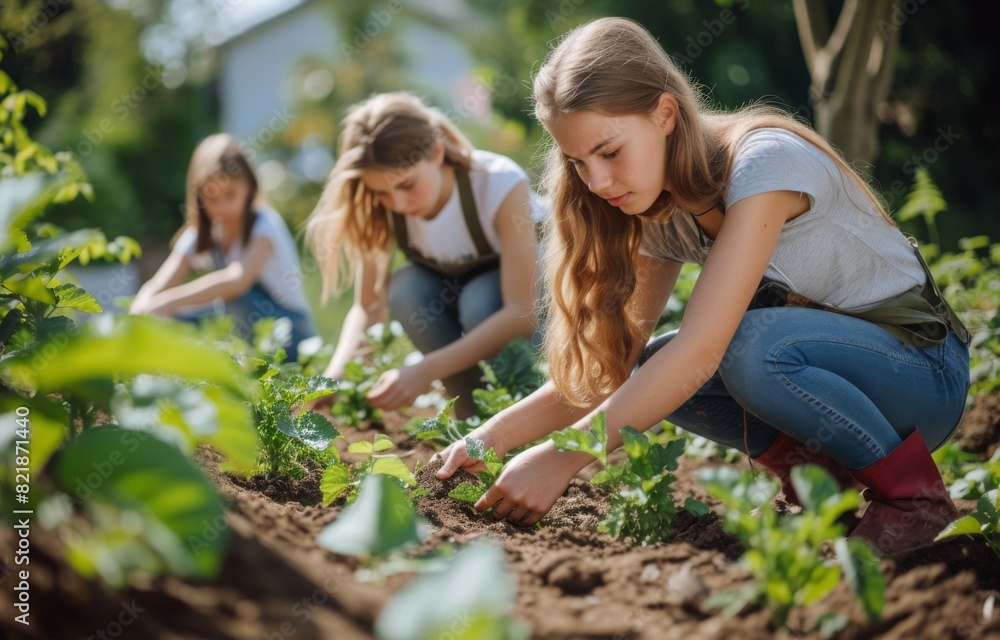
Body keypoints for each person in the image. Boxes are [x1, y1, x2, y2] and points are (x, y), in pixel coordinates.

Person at [435, 16, 971, 556]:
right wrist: (490, 438)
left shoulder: (763, 165)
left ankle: (913, 501)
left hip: (923, 374)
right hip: (846, 380)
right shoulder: (657, 211)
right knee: (651, 368)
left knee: (746, 347)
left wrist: (562, 458)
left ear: (665, 113)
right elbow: (611, 368)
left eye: (610, 152)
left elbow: (703, 351)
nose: (597, 183)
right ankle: (818, 486)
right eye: (578, 163)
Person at [304, 91, 539, 419]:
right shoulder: (383, 207)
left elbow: (521, 312)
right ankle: (473, 417)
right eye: (382, 193)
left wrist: (425, 370)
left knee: (478, 301)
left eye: (407, 185)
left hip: (540, 303)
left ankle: (527, 405)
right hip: (462, 296)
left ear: (437, 152)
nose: (397, 203)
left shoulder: (498, 183)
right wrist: (333, 378)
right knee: (405, 290)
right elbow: (368, 306)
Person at [129, 133, 315, 361]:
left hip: (291, 333)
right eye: (212, 199)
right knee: (173, 321)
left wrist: (168, 302)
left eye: (230, 195)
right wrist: (140, 311)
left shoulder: (265, 226)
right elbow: (158, 284)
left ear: (248, 187)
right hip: (246, 333)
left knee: (234, 300)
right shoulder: (200, 235)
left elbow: (237, 280)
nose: (222, 207)